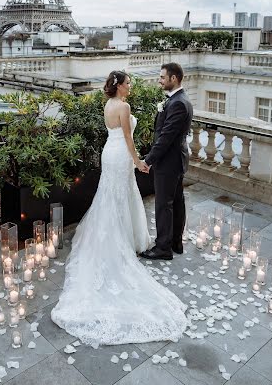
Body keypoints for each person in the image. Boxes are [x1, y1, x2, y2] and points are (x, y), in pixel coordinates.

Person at [51, 70, 187, 346]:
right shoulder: (123, 107)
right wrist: (139, 161)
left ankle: (118, 235)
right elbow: (128, 138)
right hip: (121, 154)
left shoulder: (107, 105)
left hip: (108, 153)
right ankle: (125, 239)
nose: (131, 86)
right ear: (120, 86)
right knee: (122, 195)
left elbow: (115, 134)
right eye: (129, 83)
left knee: (110, 195)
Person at [141, 63, 193, 261]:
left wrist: (148, 160)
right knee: (176, 202)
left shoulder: (178, 103)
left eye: (162, 77)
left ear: (174, 78)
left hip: (169, 162)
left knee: (164, 205)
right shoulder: (179, 99)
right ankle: (175, 242)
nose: (160, 80)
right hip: (177, 160)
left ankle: (163, 248)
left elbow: (165, 137)